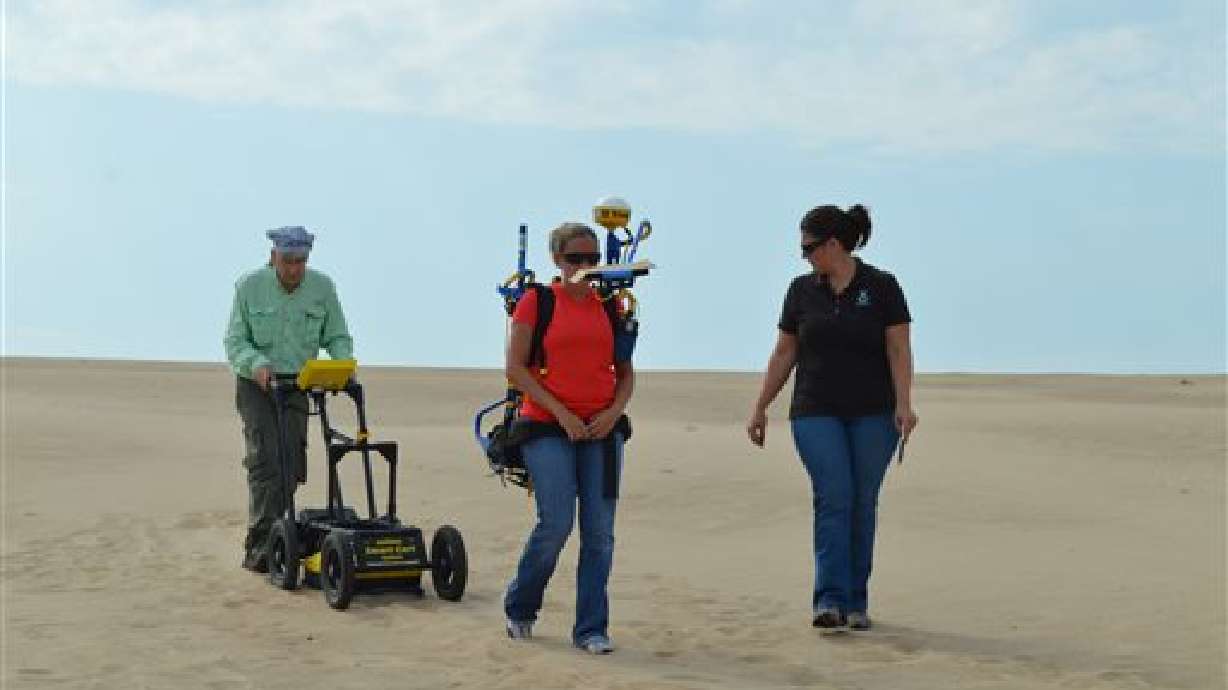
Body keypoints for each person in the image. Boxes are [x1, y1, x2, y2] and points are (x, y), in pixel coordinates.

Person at [747, 204, 917, 631]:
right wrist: (761, 405)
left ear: (834, 244)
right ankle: (828, 600)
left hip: (873, 412)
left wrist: (904, 403)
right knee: (834, 496)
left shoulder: (881, 286)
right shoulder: (801, 291)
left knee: (862, 502)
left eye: (809, 248)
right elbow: (785, 352)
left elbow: (898, 348)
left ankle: (856, 602)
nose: (804, 257)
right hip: (815, 409)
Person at [502, 222, 635, 654]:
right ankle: (521, 607)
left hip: (603, 429)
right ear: (557, 260)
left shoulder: (610, 306)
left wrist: (613, 414)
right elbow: (516, 368)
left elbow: (626, 371)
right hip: (546, 425)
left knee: (600, 533)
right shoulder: (536, 302)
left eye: (592, 259)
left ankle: (591, 628)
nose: (584, 267)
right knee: (556, 523)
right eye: (575, 258)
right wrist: (562, 415)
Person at [224, 226, 353, 573]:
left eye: (301, 261)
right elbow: (235, 341)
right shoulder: (249, 287)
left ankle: (286, 535)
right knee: (266, 459)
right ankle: (261, 544)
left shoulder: (322, 288)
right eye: (288, 261)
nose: (294, 269)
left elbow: (337, 335)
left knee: (292, 463)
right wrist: (257, 364)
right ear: (273, 257)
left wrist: (343, 367)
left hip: (298, 384)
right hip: (257, 383)